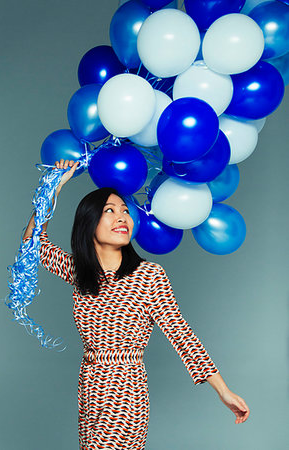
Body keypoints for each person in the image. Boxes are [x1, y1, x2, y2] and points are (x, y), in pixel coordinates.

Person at [23, 159, 250, 449]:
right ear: (88, 223)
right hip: (90, 388)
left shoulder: (148, 276)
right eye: (110, 211)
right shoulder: (81, 273)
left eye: (125, 211)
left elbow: (181, 335)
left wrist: (224, 391)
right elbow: (31, 240)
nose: (122, 217)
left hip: (126, 392)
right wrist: (54, 186)